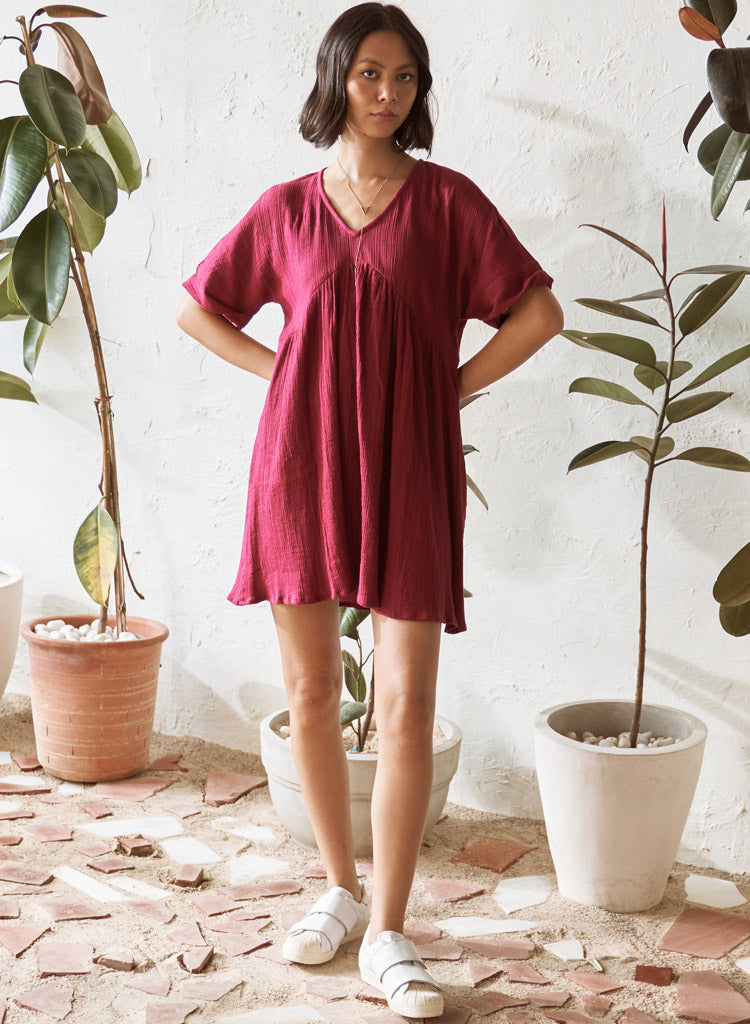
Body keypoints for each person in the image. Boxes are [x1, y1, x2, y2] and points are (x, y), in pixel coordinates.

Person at [177, 3, 563, 1017]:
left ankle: (390, 929)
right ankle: (340, 890)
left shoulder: (449, 204)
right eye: (370, 74)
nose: (388, 93)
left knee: (406, 708)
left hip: (410, 469)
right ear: (336, 80)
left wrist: (450, 389)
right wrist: (280, 372)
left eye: (406, 77)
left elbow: (539, 312)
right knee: (310, 693)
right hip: (298, 465)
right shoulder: (285, 208)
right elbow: (196, 307)